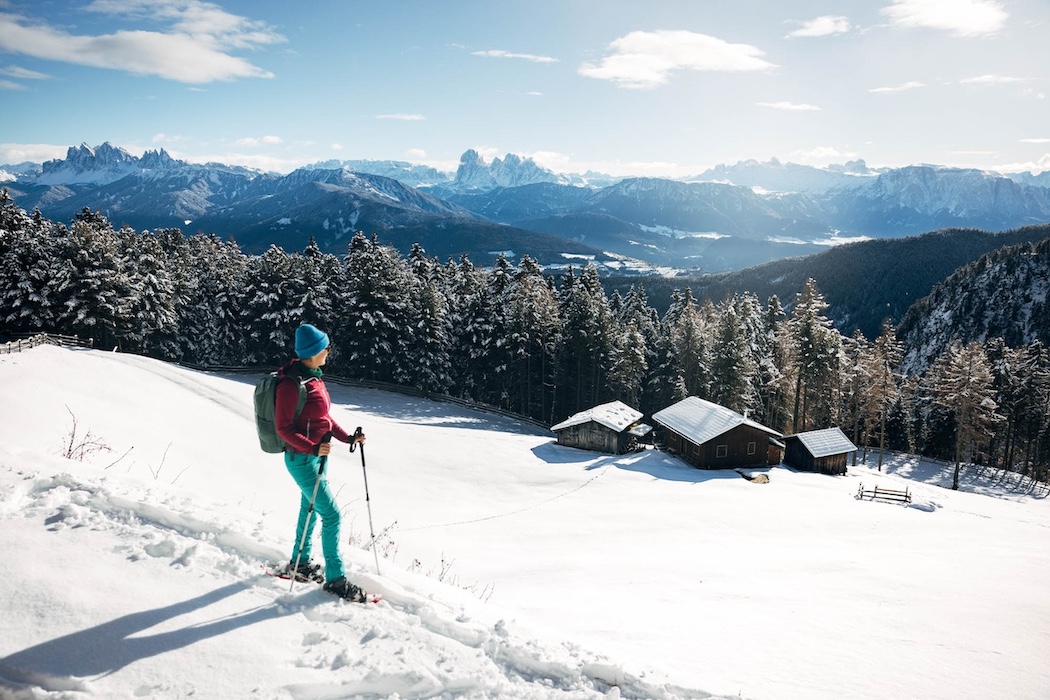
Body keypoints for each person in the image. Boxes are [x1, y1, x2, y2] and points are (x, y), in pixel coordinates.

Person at [275, 323, 365, 600]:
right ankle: (336, 580)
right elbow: (283, 429)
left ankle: (299, 563)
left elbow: (324, 420)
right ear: (313, 352)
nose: (329, 350)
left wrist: (348, 438)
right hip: (301, 460)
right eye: (326, 347)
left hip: (315, 459)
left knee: (311, 509)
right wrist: (313, 448)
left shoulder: (314, 378)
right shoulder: (291, 385)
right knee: (333, 515)